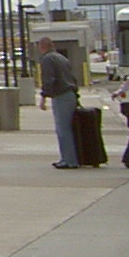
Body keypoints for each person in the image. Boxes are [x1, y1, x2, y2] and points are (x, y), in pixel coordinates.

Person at [39, 35, 83, 168]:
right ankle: (70, 158)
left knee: (63, 130)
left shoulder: (47, 59)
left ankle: (69, 160)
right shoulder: (62, 58)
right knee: (68, 128)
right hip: (70, 94)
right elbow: (73, 78)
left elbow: (49, 80)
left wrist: (43, 97)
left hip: (60, 95)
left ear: (42, 47)